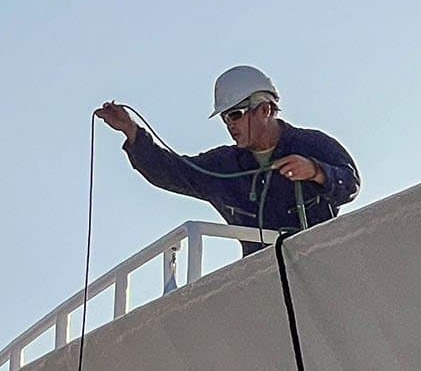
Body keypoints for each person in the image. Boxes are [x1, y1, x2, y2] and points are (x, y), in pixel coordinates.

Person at [95, 66, 359, 248]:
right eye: (225, 117)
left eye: (235, 114)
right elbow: (170, 171)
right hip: (260, 276)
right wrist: (131, 132)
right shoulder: (222, 166)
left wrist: (316, 171)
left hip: (320, 264)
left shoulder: (311, 143)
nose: (229, 125)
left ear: (265, 109)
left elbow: (350, 183)